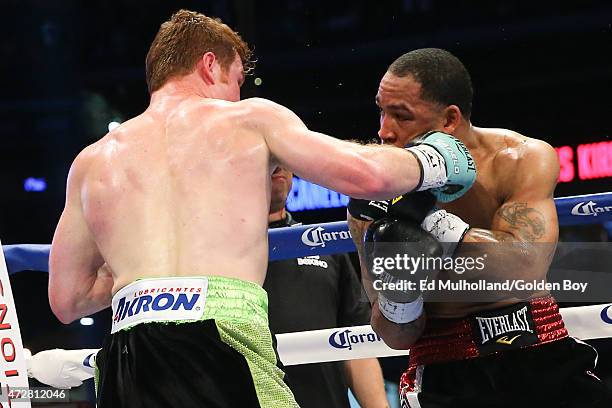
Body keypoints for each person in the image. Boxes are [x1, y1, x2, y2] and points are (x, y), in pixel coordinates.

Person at [47, 10, 475, 408]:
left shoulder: (91, 162)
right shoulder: (249, 120)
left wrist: (138, 277)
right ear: (209, 64)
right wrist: (433, 159)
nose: (236, 95)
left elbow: (67, 300)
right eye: (236, 79)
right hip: (222, 337)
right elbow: (364, 175)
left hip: (128, 354)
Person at [347, 48, 612, 407]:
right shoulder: (373, 194)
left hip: (538, 348)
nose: (384, 131)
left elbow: (526, 267)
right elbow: (395, 335)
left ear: (450, 119)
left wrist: (427, 220)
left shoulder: (518, 159)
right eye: (381, 110)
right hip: (443, 369)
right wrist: (400, 295)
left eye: (401, 116)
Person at [264, 167, 388, 408]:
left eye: (282, 157)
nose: (278, 165)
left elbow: (355, 343)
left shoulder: (322, 245)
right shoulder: (217, 255)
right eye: (268, 158)